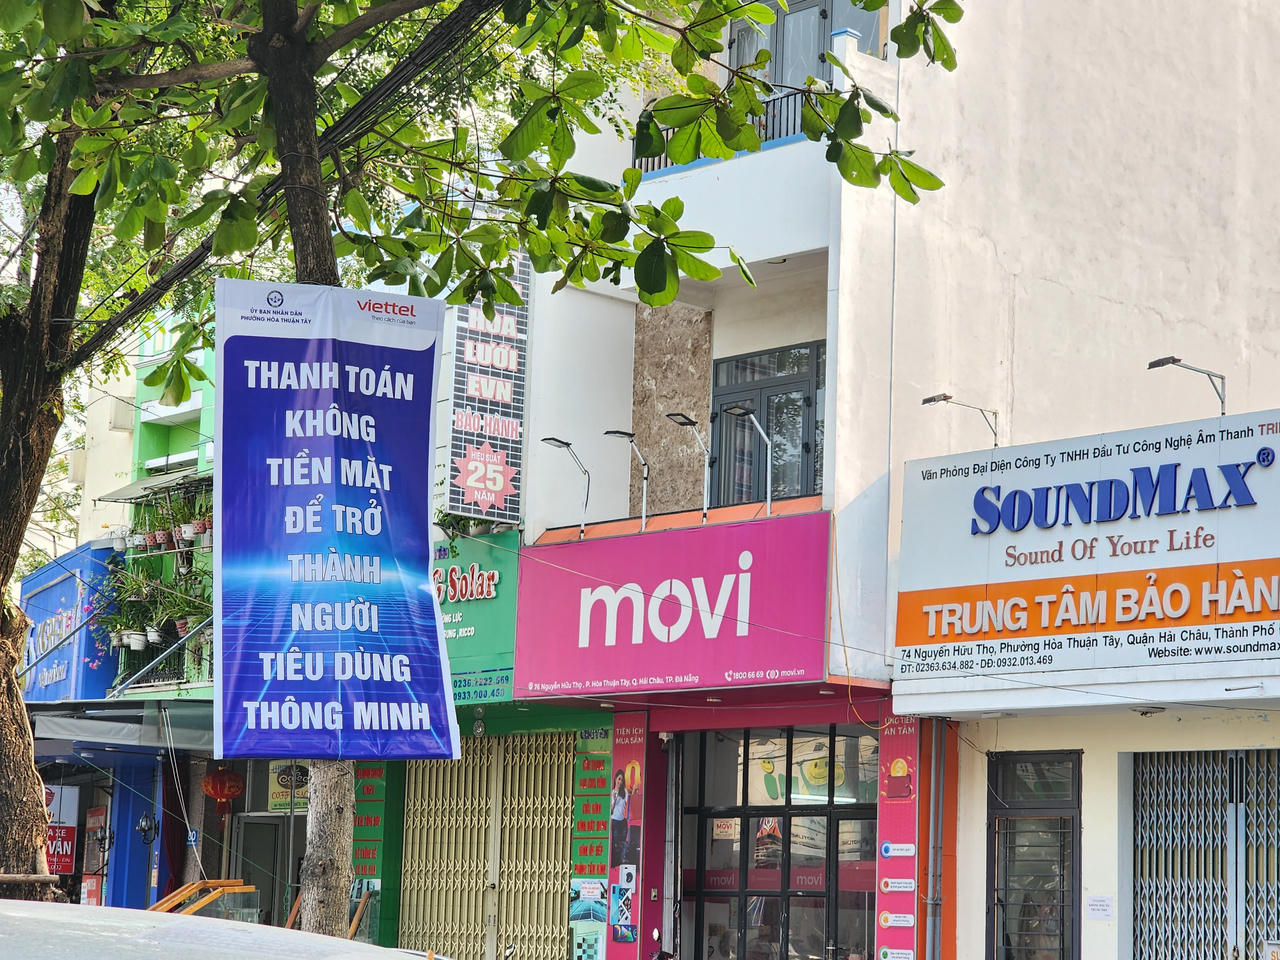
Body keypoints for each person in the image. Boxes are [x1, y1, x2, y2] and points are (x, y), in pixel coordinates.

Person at [610, 769, 629, 867]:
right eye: (619, 779)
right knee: (615, 844)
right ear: (615, 779)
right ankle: (615, 864)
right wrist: (614, 799)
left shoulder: (624, 791)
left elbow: (627, 804)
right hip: (615, 821)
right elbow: (610, 811)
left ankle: (622, 862)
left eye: (622, 780)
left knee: (623, 843)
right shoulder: (612, 793)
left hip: (623, 821)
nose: (620, 782)